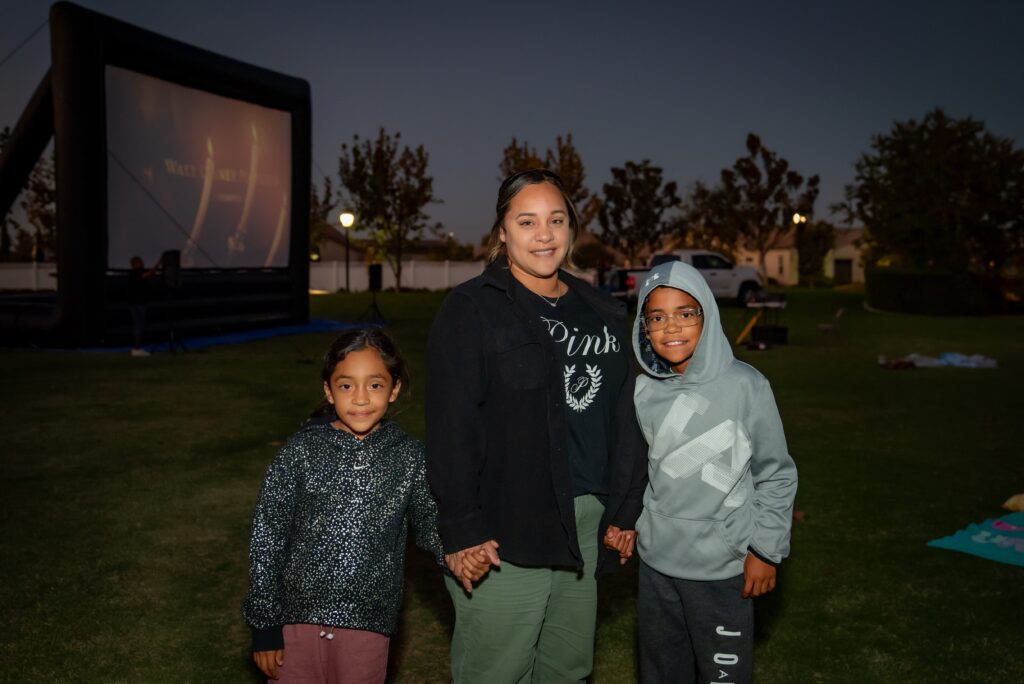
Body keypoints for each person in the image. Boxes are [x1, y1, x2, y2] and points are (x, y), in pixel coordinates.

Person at [425, 168, 647, 683]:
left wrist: (625, 507)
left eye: (556, 220)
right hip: (507, 525)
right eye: (527, 221)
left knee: (567, 669)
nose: (543, 235)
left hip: (586, 523)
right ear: (502, 231)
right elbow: (450, 428)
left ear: (571, 227)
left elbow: (625, 413)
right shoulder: (472, 310)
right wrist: (462, 530)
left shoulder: (603, 311)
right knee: (497, 671)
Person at [243, 328, 444, 684]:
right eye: (347, 385)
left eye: (376, 385)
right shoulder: (300, 452)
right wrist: (265, 626)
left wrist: (462, 550)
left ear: (394, 389)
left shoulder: (410, 458)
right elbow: (267, 538)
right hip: (295, 623)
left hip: (367, 624)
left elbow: (431, 523)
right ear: (328, 390)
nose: (361, 398)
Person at [630, 261, 798, 684]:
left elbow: (775, 474)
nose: (671, 327)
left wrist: (764, 549)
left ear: (707, 313)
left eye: (685, 313)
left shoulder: (746, 386)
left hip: (723, 568)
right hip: (657, 566)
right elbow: (642, 470)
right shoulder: (643, 390)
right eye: (657, 317)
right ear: (643, 328)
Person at [127, 256, 157, 357]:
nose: (142, 263)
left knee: (138, 326)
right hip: (138, 304)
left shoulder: (133, 273)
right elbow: (147, 275)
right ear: (136, 264)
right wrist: (159, 263)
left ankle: (137, 348)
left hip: (134, 304)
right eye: (140, 262)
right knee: (139, 326)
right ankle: (136, 349)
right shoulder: (135, 273)